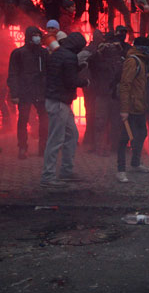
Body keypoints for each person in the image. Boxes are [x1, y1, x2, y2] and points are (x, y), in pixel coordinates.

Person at [40, 32, 89, 188]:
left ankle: (66, 171)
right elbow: (70, 81)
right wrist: (85, 81)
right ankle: (48, 175)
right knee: (56, 139)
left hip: (56, 100)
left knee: (72, 134)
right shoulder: (69, 57)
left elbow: (60, 74)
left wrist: (77, 68)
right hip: (60, 102)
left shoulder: (57, 53)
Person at [7, 26, 48, 159]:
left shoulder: (43, 53)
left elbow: (48, 73)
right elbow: (13, 74)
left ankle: (43, 147)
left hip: (40, 91)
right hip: (25, 91)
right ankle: (23, 147)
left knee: (44, 120)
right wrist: (15, 93)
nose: (37, 37)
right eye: (34, 35)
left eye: (38, 35)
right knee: (23, 120)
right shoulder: (18, 53)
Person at [116, 37, 149, 183]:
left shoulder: (141, 60)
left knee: (142, 133)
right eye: (148, 46)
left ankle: (136, 163)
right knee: (124, 139)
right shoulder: (133, 61)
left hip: (139, 106)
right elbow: (125, 85)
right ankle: (121, 170)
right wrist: (124, 109)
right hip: (131, 107)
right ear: (141, 47)